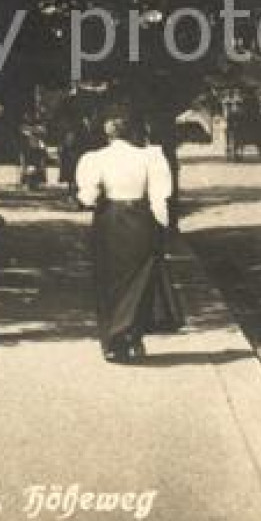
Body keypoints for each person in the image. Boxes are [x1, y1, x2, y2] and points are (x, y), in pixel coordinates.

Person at [75, 114, 179, 363]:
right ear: (132, 133)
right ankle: (133, 338)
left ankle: (112, 341)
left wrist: (84, 199)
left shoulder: (96, 158)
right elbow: (159, 197)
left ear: (108, 134)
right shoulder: (150, 157)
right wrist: (163, 227)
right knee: (140, 278)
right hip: (140, 220)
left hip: (110, 220)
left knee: (110, 278)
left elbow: (88, 196)